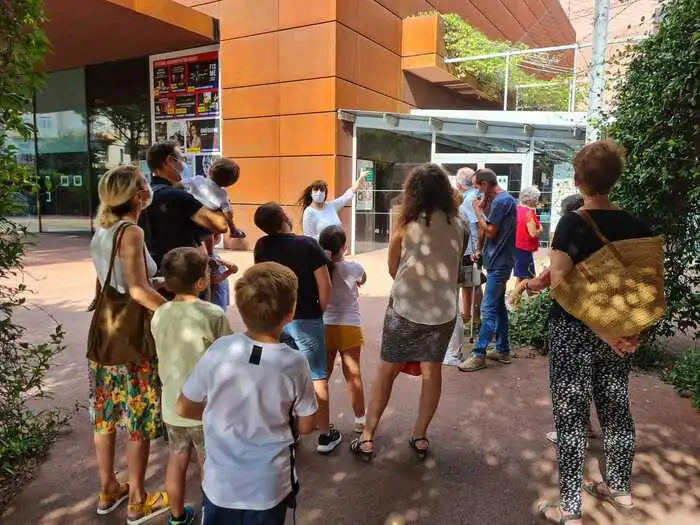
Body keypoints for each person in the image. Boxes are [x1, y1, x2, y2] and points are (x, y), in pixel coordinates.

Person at [525, 141, 647, 525]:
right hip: (618, 331)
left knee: (571, 415)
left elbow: (561, 283)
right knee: (616, 409)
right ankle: (619, 489)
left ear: (578, 180)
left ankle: (571, 508)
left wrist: (541, 284)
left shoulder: (572, 223)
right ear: (616, 179)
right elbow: (646, 287)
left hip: (573, 333)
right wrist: (630, 332)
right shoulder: (635, 224)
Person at [176, 262, 318, 525]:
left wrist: (218, 413)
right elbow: (308, 424)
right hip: (269, 487)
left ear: (241, 310)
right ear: (290, 314)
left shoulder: (220, 349)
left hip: (220, 486)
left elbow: (184, 407)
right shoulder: (295, 362)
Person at [352, 163, 465, 460]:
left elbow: (393, 267)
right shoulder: (459, 224)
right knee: (432, 373)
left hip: (406, 306)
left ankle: (367, 436)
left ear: (412, 192)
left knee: (387, 370)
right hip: (443, 310)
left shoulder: (407, 223)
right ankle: (420, 435)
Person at [88, 165, 170, 524]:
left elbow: (112, 283)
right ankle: (138, 499)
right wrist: (176, 312)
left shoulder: (101, 231)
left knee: (105, 415)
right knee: (139, 414)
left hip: (105, 335)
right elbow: (137, 291)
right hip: (133, 339)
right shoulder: (132, 231)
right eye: (143, 186)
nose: (147, 190)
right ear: (136, 196)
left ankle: (108, 488)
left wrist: (155, 281)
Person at [151, 247, 233, 525]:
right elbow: (229, 354)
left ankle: (176, 517)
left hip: (173, 405)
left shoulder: (159, 314)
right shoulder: (213, 313)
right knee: (210, 463)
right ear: (201, 283)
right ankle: (212, 516)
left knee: (177, 458)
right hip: (205, 407)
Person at [253, 203, 342, 454]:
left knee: (281, 374)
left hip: (276, 320)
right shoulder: (307, 245)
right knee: (317, 375)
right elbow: (324, 284)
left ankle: (288, 430)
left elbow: (262, 281)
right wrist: (318, 311)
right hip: (306, 317)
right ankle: (324, 434)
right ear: (284, 217)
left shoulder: (262, 246)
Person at [458, 168, 517, 372]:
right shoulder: (495, 201)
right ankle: (502, 349)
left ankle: (479, 353)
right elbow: (484, 228)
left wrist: (477, 211)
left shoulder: (502, 201)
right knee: (498, 306)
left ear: (484, 184)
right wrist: (478, 250)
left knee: (488, 308)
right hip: (495, 260)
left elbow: (491, 230)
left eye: (477, 187)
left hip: (500, 261)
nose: (476, 193)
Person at [138, 141, 227, 270]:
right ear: (169, 161)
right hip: (183, 270)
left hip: (153, 269)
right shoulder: (178, 196)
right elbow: (221, 225)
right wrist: (216, 198)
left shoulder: (144, 197)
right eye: (180, 159)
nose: (183, 165)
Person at [318, 225, 367, 433]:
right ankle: (360, 420)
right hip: (350, 326)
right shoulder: (354, 267)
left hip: (326, 325)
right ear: (344, 247)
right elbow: (363, 280)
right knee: (353, 374)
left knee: (322, 376)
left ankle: (317, 420)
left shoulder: (319, 268)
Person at [182, 157, 246, 239]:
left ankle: (206, 249)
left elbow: (181, 184)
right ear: (230, 183)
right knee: (212, 224)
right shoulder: (222, 194)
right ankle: (210, 251)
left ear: (209, 171)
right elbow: (228, 214)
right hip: (204, 227)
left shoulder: (197, 179)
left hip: (188, 219)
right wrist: (233, 229)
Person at [299, 170, 368, 240]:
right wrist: (327, 235)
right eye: (316, 190)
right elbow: (309, 239)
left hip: (338, 248)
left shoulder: (331, 206)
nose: (319, 193)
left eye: (322, 190)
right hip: (322, 249)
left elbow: (346, 197)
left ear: (325, 194)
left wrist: (359, 180)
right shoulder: (309, 212)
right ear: (311, 193)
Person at [455, 167, 483, 326]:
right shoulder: (471, 196)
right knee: (467, 282)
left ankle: (476, 318)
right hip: (467, 248)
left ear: (459, 184)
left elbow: (478, 224)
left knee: (475, 281)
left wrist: (477, 248)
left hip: (471, 250)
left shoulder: (469, 199)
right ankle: (467, 316)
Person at [510, 185, 543, 305]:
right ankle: (513, 300)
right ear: (530, 200)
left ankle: (515, 303)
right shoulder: (528, 213)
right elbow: (533, 233)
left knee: (520, 276)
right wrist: (541, 230)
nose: (537, 201)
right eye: (536, 199)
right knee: (528, 277)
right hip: (524, 248)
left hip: (516, 247)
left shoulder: (516, 209)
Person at [207, 233, 238, 311]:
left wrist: (223, 262)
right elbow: (214, 280)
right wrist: (229, 271)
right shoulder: (211, 255)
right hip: (216, 294)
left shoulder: (209, 252)